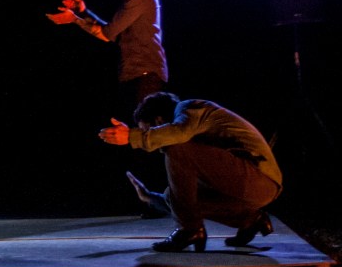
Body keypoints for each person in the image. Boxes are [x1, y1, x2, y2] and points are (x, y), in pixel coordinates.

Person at [47, 0, 170, 216]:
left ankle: (158, 202)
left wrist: (75, 19)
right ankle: (151, 201)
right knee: (137, 138)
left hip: (145, 75)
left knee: (144, 139)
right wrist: (82, 13)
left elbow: (106, 34)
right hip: (139, 73)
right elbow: (113, 31)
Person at [98, 91, 283, 252]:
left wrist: (132, 136)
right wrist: (150, 198)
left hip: (259, 178)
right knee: (173, 195)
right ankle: (251, 220)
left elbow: (178, 133)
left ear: (159, 121)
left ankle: (189, 230)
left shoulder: (190, 107)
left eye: (147, 130)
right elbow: (183, 201)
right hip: (250, 186)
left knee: (176, 147)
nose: (149, 136)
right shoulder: (192, 130)